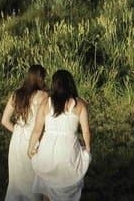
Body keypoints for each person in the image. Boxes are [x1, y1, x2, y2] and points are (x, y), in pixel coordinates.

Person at [28, 69, 92, 200]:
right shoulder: (80, 105)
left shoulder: (46, 103)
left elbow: (37, 129)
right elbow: (86, 131)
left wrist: (30, 147)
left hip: (48, 148)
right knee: (68, 183)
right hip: (68, 149)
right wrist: (87, 148)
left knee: (47, 185)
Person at [1, 64, 49, 201]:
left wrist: (17, 130)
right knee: (33, 181)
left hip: (17, 140)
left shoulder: (16, 94)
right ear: (40, 78)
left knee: (16, 181)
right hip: (34, 139)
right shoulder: (44, 96)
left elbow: (4, 121)